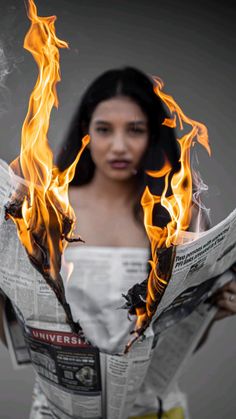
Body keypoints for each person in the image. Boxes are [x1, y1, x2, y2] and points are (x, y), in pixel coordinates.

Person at [0, 66, 236, 419]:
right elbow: (20, 330)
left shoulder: (180, 209)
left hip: (154, 411)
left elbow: (177, 336)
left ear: (154, 135)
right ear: (86, 133)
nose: (120, 146)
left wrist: (214, 309)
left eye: (136, 130)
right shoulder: (50, 207)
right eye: (105, 130)